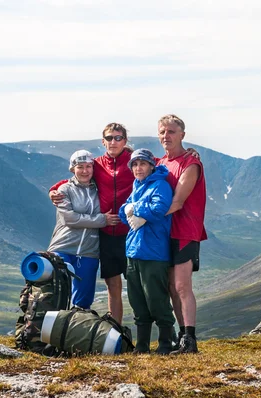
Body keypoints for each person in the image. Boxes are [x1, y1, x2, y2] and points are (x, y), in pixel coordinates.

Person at [49, 123, 132, 323]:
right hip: (95, 239)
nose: (114, 141)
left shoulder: (134, 161)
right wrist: (53, 190)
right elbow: (73, 182)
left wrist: (187, 153)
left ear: (125, 140)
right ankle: (51, 331)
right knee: (60, 291)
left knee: (134, 285)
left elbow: (161, 162)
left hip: (127, 234)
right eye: (109, 138)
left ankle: (117, 330)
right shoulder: (97, 165)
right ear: (103, 141)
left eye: (118, 138)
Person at [156, 114, 207, 354]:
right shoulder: (160, 163)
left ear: (182, 135)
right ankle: (182, 336)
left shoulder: (191, 163)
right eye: (163, 132)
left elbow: (177, 202)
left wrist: (143, 215)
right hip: (165, 232)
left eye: (172, 132)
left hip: (185, 232)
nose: (166, 136)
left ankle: (190, 339)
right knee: (170, 286)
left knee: (182, 286)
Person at [118, 149, 175, 355]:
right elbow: (124, 213)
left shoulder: (160, 185)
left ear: (152, 165)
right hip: (134, 251)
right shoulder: (137, 186)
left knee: (156, 298)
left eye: (142, 164)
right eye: (134, 165)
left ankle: (165, 344)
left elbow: (160, 209)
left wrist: (135, 207)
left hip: (154, 251)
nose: (138, 168)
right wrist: (129, 209)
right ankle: (142, 346)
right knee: (137, 300)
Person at [47, 150, 116, 309]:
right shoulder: (64, 190)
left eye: (88, 166)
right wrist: (102, 220)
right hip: (63, 247)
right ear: (72, 169)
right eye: (80, 167)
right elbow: (69, 219)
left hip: (89, 251)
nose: (85, 171)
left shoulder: (100, 189)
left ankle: (75, 330)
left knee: (83, 301)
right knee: (56, 295)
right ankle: (48, 331)